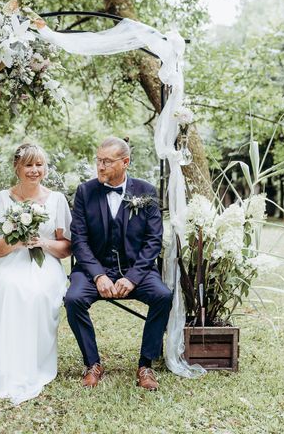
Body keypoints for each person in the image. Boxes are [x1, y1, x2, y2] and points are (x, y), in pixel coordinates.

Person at [65, 136, 173, 391]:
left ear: (125, 162)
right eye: (98, 161)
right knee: (73, 299)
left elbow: (153, 241)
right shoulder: (85, 191)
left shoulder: (145, 191)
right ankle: (92, 363)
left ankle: (145, 364)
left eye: (107, 161)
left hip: (136, 270)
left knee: (163, 296)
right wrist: (98, 276)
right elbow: (79, 240)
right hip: (95, 269)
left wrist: (133, 277)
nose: (100, 167)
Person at [0, 143, 72, 404]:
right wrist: (17, 241)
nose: (34, 170)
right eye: (28, 164)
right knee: (6, 286)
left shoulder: (57, 200)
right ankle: (4, 361)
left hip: (45, 264)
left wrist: (42, 243)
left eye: (39, 164)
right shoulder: (4, 198)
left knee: (34, 291)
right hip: (9, 261)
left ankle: (33, 361)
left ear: (45, 168)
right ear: (17, 167)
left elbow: (66, 248)